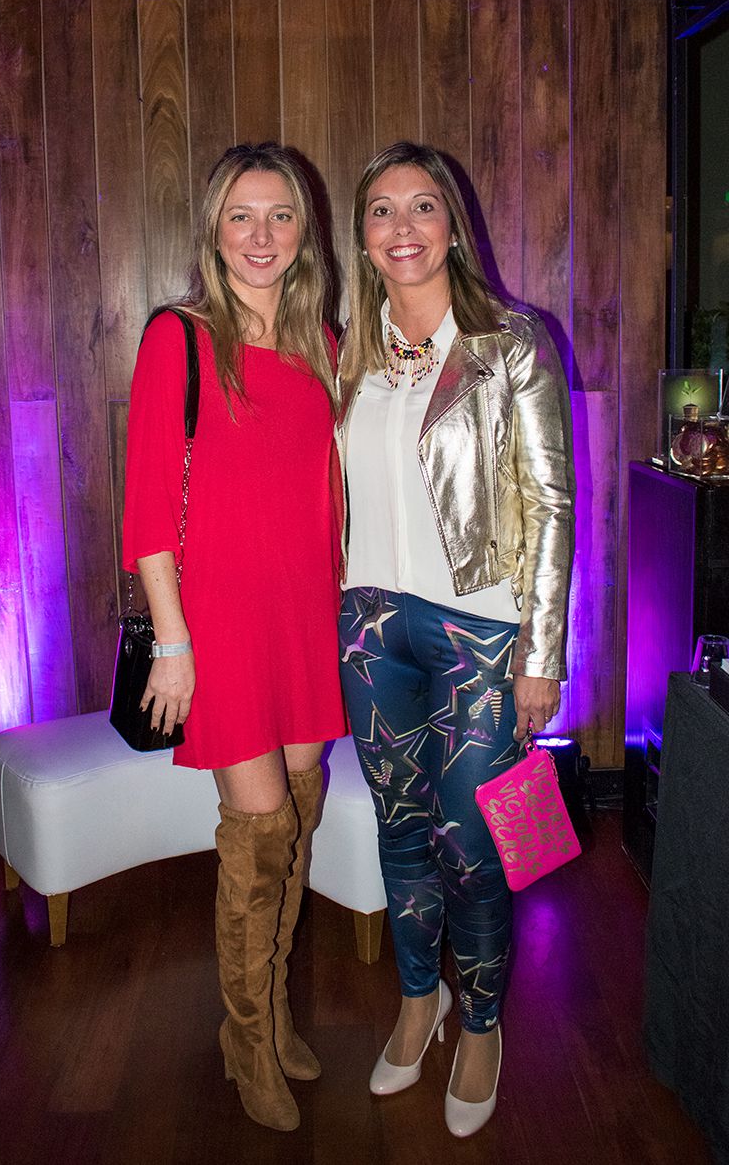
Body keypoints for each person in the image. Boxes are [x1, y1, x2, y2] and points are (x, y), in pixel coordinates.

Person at [336, 141, 575, 1137]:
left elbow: (552, 502)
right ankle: (417, 998)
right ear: (363, 236)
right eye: (382, 210)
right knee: (398, 828)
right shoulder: (346, 348)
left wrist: (541, 655)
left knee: (472, 845)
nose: (403, 227)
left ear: (452, 225)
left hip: (479, 630)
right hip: (369, 626)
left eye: (422, 206)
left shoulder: (509, 342)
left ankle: (480, 1024)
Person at [123, 142, 347, 1134]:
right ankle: (245, 1038)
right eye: (242, 216)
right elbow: (145, 507)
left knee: (298, 820)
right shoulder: (179, 336)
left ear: (305, 232)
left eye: (280, 215)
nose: (262, 236)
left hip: (305, 614)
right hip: (219, 624)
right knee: (257, 836)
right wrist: (173, 642)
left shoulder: (322, 344)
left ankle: (276, 1012)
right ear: (214, 230)